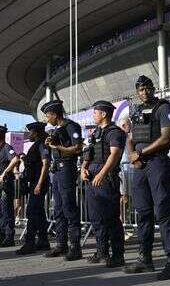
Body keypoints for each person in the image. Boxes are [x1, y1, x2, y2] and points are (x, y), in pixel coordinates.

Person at [124, 75, 170, 280]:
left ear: (153, 89)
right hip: (139, 167)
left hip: (157, 163)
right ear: (137, 92)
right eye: (140, 89)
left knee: (163, 212)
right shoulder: (137, 111)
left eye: (147, 88)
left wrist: (141, 153)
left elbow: (166, 137)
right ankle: (145, 259)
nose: (144, 92)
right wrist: (133, 156)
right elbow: (130, 138)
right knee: (143, 213)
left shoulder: (164, 108)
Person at [80, 101, 127, 268]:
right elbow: (88, 154)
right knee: (96, 217)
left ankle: (118, 254)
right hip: (92, 178)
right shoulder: (95, 133)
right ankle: (102, 251)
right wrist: (84, 168)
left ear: (104, 114)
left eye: (95, 113)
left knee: (111, 218)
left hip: (106, 179)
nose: (93, 115)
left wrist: (102, 173)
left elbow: (114, 155)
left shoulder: (115, 133)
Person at [42, 100, 84, 260]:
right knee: (58, 209)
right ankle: (61, 244)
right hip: (57, 170)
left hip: (67, 168)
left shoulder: (71, 126)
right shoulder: (57, 130)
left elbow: (78, 148)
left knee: (69, 207)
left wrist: (58, 147)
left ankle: (75, 246)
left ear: (54, 114)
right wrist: (50, 143)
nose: (47, 119)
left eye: (48, 116)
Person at [16, 122, 52, 255]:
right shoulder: (36, 145)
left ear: (36, 132)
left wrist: (39, 184)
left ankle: (29, 243)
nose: (29, 134)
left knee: (31, 211)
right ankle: (43, 241)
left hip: (39, 183)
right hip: (35, 182)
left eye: (30, 132)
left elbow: (46, 163)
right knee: (39, 213)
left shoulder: (42, 145)